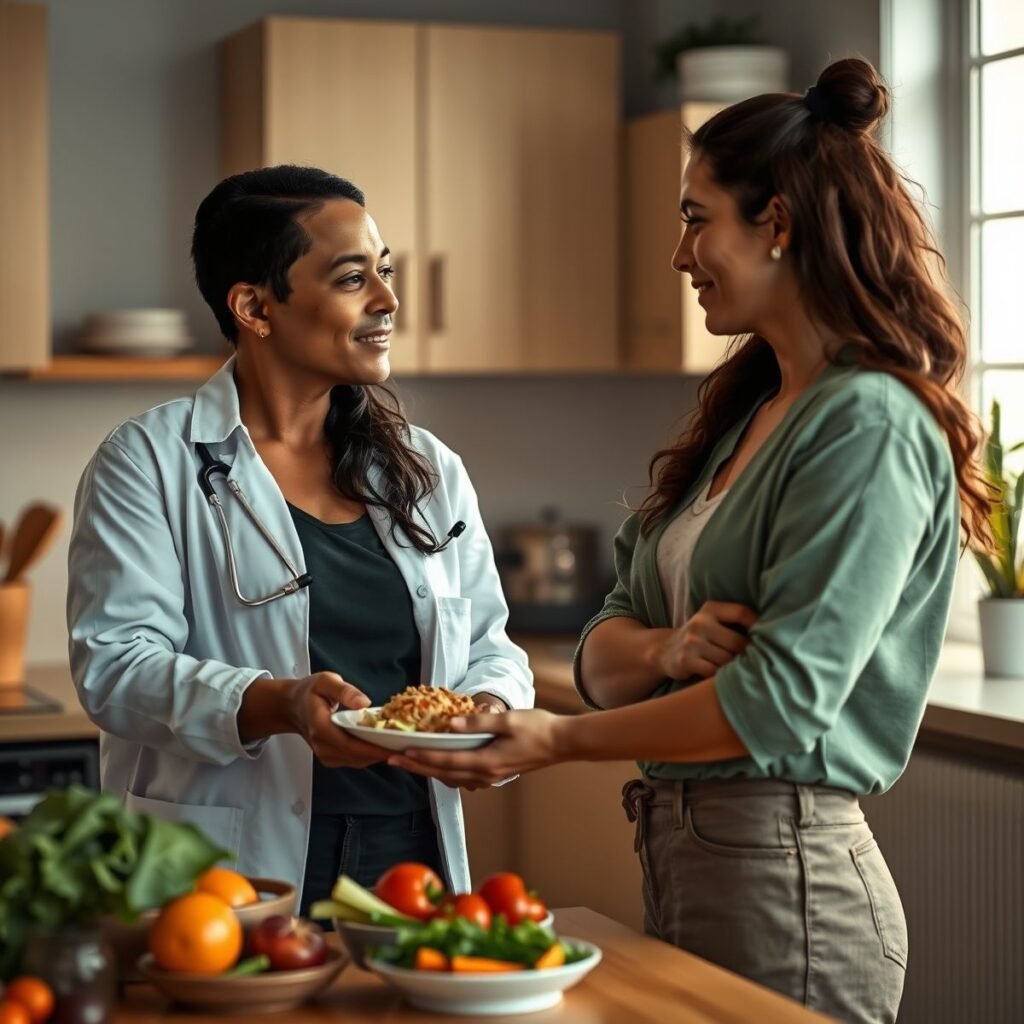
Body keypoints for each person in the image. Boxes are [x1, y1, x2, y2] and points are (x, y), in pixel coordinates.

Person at [388, 58, 992, 1023]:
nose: (680, 254)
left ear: (779, 224)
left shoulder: (868, 423)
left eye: (695, 216)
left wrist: (556, 741)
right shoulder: (749, 409)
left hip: (789, 885)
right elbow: (605, 642)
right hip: (693, 863)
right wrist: (667, 649)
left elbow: (777, 704)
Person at [67, 165, 533, 912]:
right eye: (353, 279)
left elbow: (491, 644)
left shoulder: (424, 466)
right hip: (236, 858)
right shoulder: (148, 461)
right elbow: (116, 668)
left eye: (384, 272)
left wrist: (483, 709)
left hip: (411, 851)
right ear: (255, 306)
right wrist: (278, 702)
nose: (388, 301)